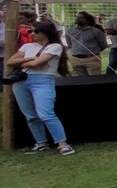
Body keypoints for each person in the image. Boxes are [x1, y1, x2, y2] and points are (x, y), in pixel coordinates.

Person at [7, 21, 75, 155]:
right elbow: (10, 62)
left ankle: (62, 143)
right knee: (30, 115)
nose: (32, 34)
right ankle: (41, 143)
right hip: (22, 81)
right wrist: (30, 59)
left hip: (42, 80)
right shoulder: (27, 46)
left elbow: (38, 63)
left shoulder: (55, 46)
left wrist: (27, 61)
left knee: (46, 113)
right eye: (30, 31)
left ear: (46, 32)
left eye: (36, 31)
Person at [64, 11, 108, 76]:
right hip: (76, 60)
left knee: (94, 80)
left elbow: (103, 45)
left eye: (81, 18)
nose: (78, 19)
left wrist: (93, 52)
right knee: (80, 81)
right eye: (77, 17)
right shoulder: (70, 31)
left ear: (87, 20)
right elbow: (70, 45)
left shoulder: (96, 31)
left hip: (92, 59)